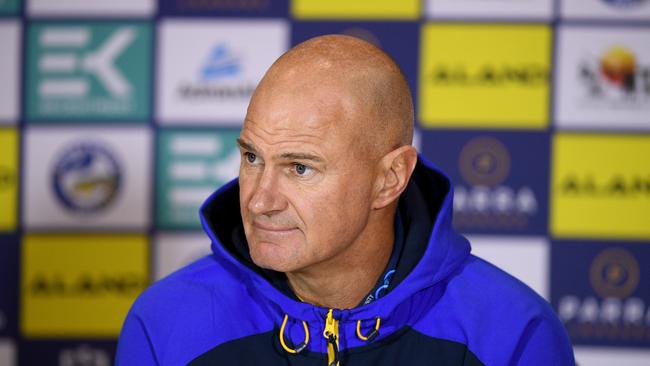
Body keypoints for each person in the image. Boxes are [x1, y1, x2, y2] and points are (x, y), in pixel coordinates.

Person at [117, 35, 575, 365]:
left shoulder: (513, 334)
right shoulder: (165, 323)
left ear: (390, 178)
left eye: (300, 168)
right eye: (252, 157)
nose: (258, 201)